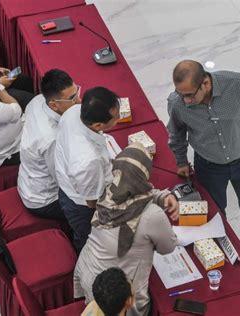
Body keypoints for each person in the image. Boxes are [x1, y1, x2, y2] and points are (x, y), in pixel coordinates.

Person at [167, 60, 240, 276]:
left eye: (190, 94)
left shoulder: (237, 84)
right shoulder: (178, 103)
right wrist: (181, 162)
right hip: (208, 166)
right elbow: (176, 135)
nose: (186, 100)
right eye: (181, 94)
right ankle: (222, 257)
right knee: (214, 215)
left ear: (206, 84)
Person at [75, 142, 178, 316]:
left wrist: (162, 196)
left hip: (89, 273)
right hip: (117, 296)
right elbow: (168, 247)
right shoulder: (151, 215)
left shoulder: (108, 189)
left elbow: (137, 194)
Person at [55, 86, 121, 254]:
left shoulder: (74, 111)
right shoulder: (89, 160)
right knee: (89, 243)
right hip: (81, 206)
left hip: (69, 183)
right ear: (98, 125)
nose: (119, 118)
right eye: (116, 117)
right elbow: (92, 202)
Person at [18, 69, 80, 220]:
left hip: (29, 177)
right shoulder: (51, 138)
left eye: (77, 92)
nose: (79, 100)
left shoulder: (38, 100)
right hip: (46, 199)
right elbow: (64, 179)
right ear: (53, 105)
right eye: (72, 98)